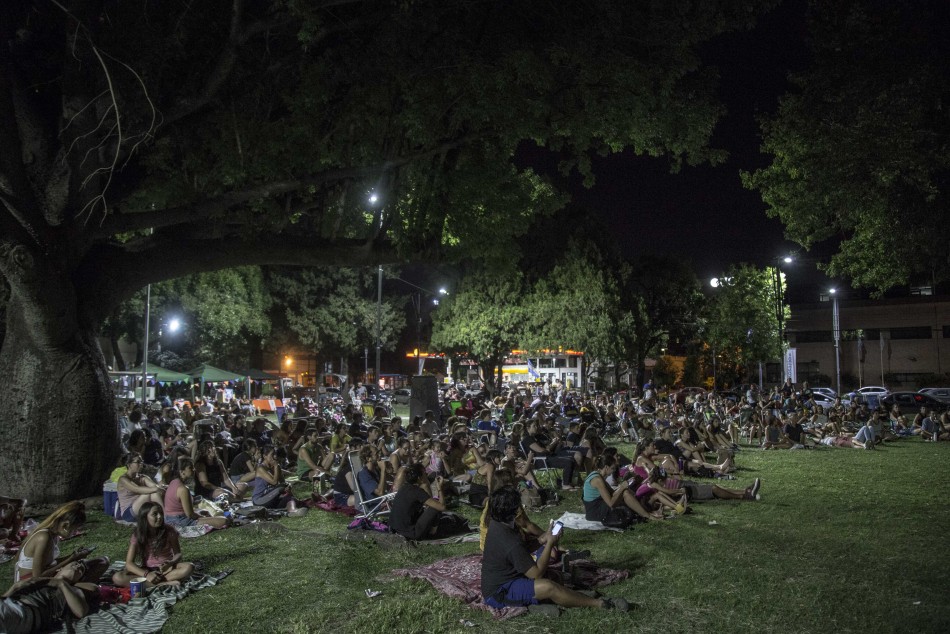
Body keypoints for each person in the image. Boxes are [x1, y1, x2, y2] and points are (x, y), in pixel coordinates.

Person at [481, 486, 629, 614]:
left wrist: (542, 539)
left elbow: (521, 550)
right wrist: (550, 543)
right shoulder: (508, 540)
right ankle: (600, 603)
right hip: (500, 592)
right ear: (513, 510)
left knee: (554, 576)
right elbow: (536, 574)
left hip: (511, 578)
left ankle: (560, 599)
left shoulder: (499, 523)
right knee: (548, 586)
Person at [13, 502, 109, 584]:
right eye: (75, 529)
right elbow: (38, 576)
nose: (75, 532)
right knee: (73, 573)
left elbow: (49, 563)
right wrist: (70, 559)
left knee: (102, 561)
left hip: (46, 577)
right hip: (31, 584)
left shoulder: (53, 535)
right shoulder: (43, 538)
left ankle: (77, 589)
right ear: (65, 525)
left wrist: (74, 556)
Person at [112, 503, 195, 588]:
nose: (159, 517)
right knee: (117, 577)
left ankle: (150, 584)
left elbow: (178, 554)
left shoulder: (169, 531)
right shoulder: (138, 534)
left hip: (166, 570)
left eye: (161, 513)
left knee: (189, 567)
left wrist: (170, 563)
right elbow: (129, 563)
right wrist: (147, 575)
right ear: (145, 517)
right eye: (155, 514)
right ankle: (162, 584)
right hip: (147, 570)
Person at [1, 560, 97, 632]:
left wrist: (62, 584)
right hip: (9, 605)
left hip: (25, 614)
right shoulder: (40, 581)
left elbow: (81, 612)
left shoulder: (73, 590)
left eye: (81, 570)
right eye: (75, 564)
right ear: (60, 569)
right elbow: (5, 598)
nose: (78, 566)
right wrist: (14, 588)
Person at [583, 455, 660, 525]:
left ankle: (646, 514)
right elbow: (611, 503)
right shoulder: (597, 479)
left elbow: (613, 492)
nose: (614, 470)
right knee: (625, 492)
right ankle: (647, 515)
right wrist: (622, 487)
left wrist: (624, 485)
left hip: (596, 508)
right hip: (595, 512)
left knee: (626, 492)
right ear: (606, 467)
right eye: (612, 468)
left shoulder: (598, 476)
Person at [163, 458, 231, 529]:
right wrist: (201, 517)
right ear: (182, 472)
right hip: (179, 521)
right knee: (224, 520)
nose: (194, 470)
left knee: (205, 511)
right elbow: (190, 514)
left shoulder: (173, 482)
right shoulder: (183, 489)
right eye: (190, 468)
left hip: (170, 519)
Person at [389, 464, 447, 540]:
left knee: (431, 507)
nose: (426, 475)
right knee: (435, 508)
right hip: (411, 533)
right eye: (425, 474)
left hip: (395, 529)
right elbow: (442, 507)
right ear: (420, 478)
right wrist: (440, 488)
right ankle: (433, 533)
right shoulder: (417, 492)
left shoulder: (403, 488)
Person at [115, 452, 166, 522]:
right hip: (128, 513)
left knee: (154, 493)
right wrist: (157, 488)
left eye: (141, 461)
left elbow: (155, 487)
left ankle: (165, 515)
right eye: (138, 462)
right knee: (148, 494)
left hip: (142, 510)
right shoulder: (123, 479)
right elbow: (137, 489)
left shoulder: (143, 477)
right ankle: (165, 516)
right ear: (129, 464)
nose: (141, 464)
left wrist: (162, 486)